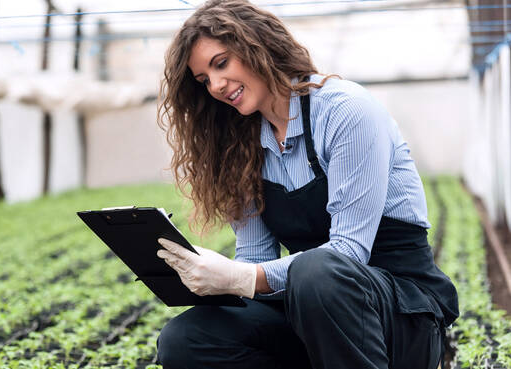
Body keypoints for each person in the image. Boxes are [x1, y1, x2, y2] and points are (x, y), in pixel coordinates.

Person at [154, 1, 459, 368]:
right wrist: (214, 276)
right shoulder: (241, 147)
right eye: (204, 80)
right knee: (186, 339)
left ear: (259, 46)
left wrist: (241, 277)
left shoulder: (344, 111)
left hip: (399, 316)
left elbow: (348, 253)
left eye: (221, 63)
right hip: (313, 314)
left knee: (319, 272)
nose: (216, 85)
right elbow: (255, 259)